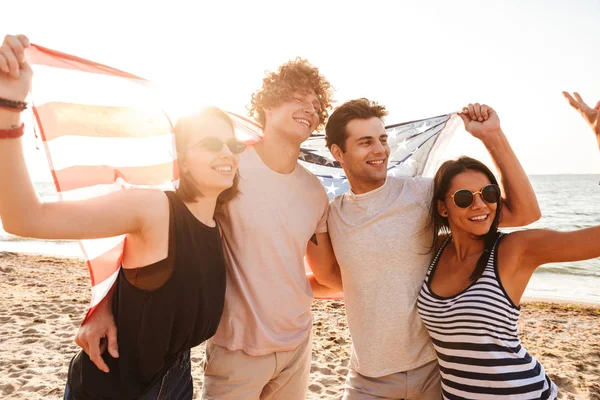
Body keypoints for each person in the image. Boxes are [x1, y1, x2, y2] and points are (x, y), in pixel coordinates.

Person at [76, 58, 342, 399]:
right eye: (299, 98)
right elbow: (153, 233)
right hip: (237, 349)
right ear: (268, 105)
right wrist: (102, 306)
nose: (310, 109)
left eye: (317, 104)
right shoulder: (227, 164)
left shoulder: (314, 191)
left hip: (298, 344)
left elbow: (326, 274)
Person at [0, 34, 247, 399]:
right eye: (210, 144)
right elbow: (25, 218)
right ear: (180, 158)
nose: (226, 152)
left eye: (233, 145)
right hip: (113, 387)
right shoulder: (151, 208)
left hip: (175, 380)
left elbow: (145, 275)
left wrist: (102, 303)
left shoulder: (220, 221)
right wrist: (9, 107)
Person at [318, 98, 541, 399]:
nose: (380, 150)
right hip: (369, 377)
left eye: (382, 139)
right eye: (365, 142)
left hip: (436, 373)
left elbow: (524, 213)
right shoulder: (331, 215)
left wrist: (492, 136)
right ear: (337, 152)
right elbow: (332, 277)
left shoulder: (421, 194)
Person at [417, 151, 600, 399]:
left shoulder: (514, 250)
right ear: (443, 207)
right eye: (463, 198)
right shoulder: (435, 250)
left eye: (489, 193)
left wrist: (492, 135)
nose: (480, 204)